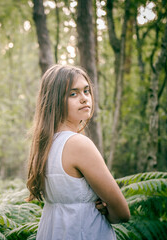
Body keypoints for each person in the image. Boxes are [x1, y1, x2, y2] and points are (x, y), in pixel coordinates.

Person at [26, 65, 130, 240]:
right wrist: (107, 212)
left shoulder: (45, 145)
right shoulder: (78, 144)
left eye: (86, 91)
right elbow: (122, 213)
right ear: (55, 100)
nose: (84, 99)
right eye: (73, 94)